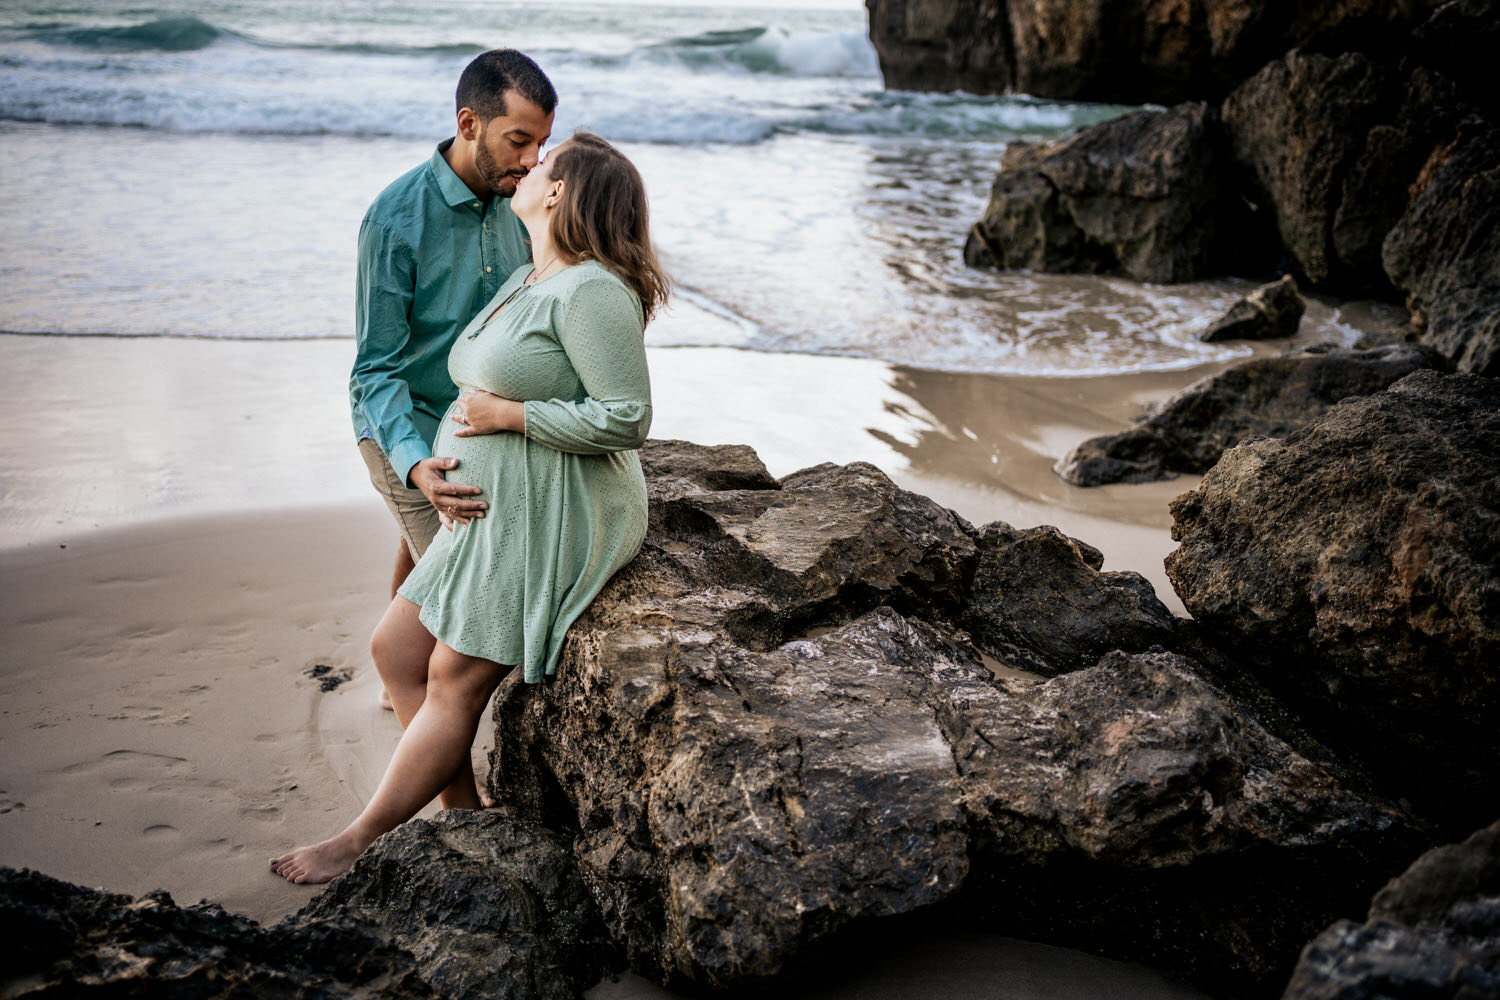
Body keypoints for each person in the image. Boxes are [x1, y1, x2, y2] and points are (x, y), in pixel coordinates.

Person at [271, 132, 668, 885]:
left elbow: (627, 418)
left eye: (545, 162)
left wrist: (512, 418)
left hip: (554, 510)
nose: (530, 165)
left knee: (453, 675)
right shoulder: (530, 276)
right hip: (489, 506)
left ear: (559, 193)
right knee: (395, 649)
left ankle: (359, 837)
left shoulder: (592, 290)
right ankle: (459, 804)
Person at [350, 49, 556, 710]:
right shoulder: (395, 221)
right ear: (469, 124)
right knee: (468, 591)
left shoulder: (519, 203)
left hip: (479, 418)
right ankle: (446, 799)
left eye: (542, 144)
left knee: (430, 557)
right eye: (518, 141)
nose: (532, 161)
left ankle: (392, 682)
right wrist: (415, 469)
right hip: (406, 426)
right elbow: (374, 372)